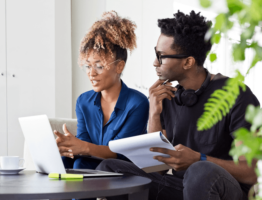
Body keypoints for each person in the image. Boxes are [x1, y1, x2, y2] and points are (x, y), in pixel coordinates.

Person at [96, 10, 260, 200]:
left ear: (188, 62)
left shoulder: (237, 95)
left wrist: (199, 159)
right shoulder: (168, 97)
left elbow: (251, 172)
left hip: (227, 190)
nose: (154, 62)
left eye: (161, 56)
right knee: (109, 169)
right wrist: (154, 113)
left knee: (200, 171)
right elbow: (156, 170)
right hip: (184, 188)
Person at [53, 11, 149, 170]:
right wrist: (69, 146)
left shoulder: (138, 102)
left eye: (99, 66)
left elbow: (122, 154)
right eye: (88, 66)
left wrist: (83, 147)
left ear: (119, 66)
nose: (91, 73)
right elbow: (84, 141)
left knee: (82, 163)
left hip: (122, 170)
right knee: (65, 161)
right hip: (91, 165)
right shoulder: (83, 101)